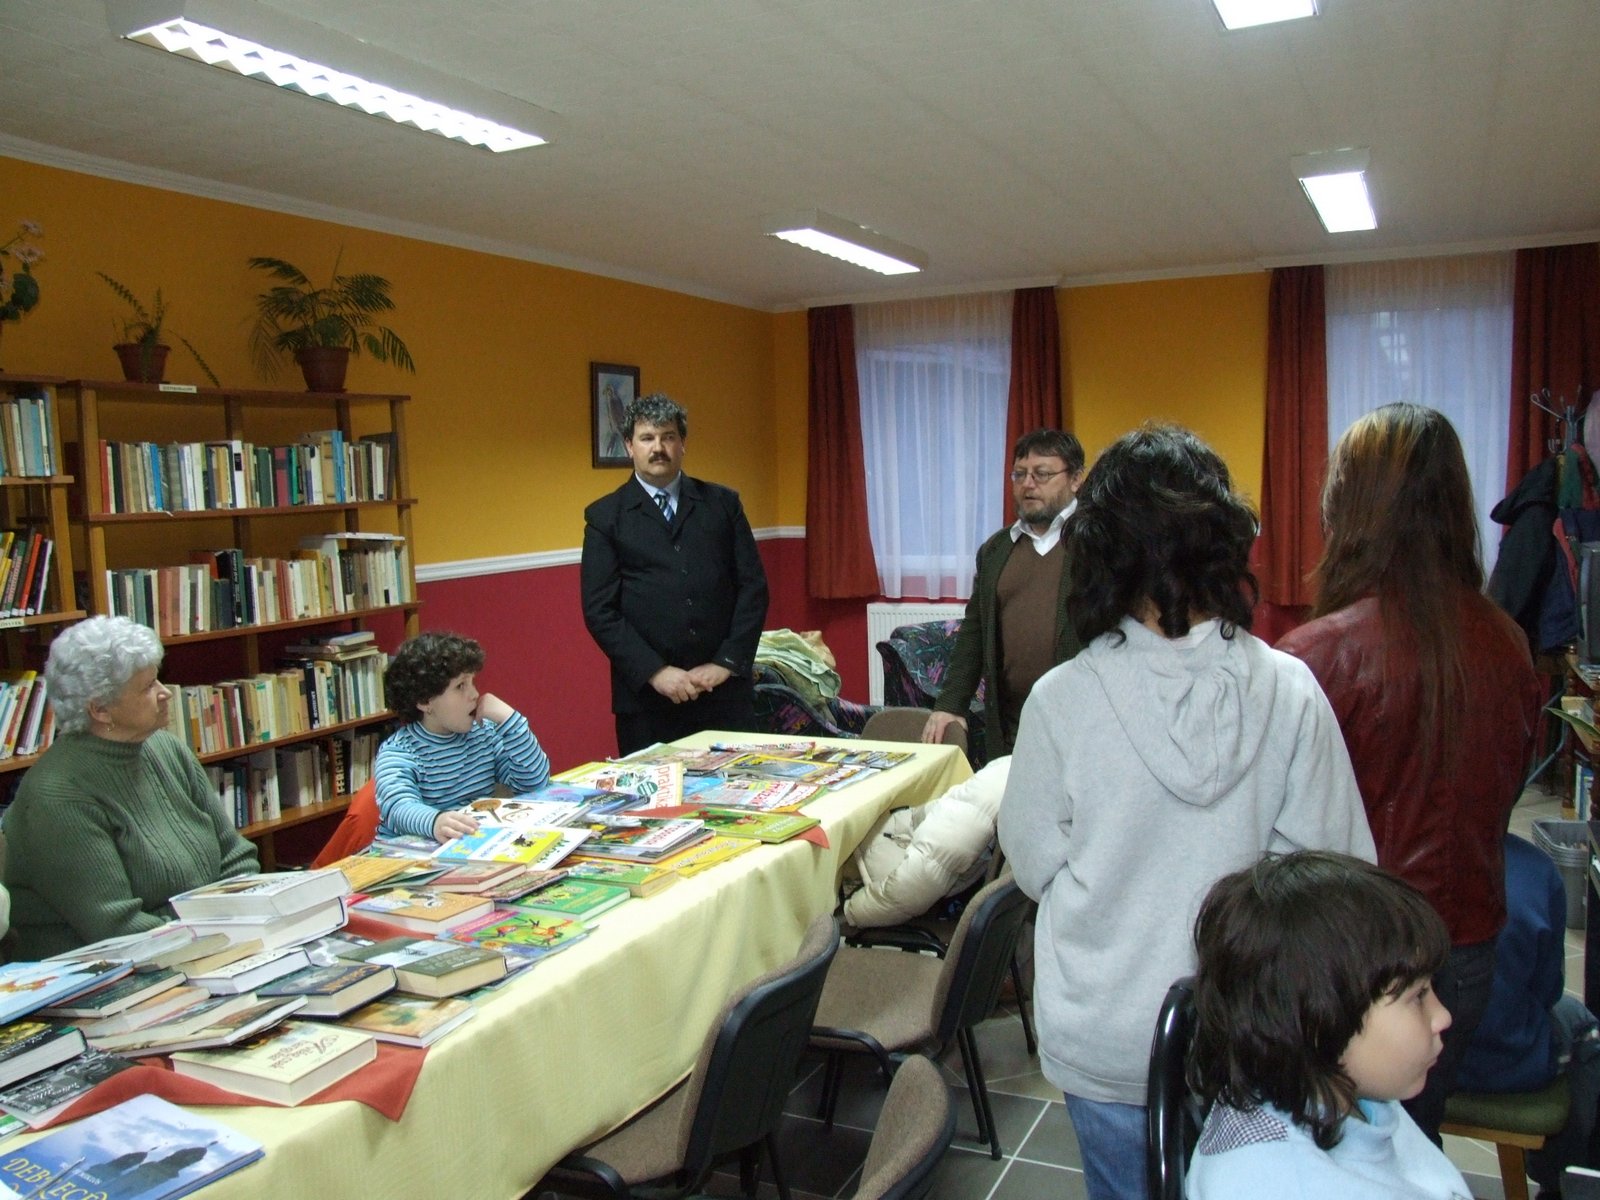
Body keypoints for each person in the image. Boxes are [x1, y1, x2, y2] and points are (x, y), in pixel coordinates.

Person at [997, 423, 1374, 1200]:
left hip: (1108, 1030)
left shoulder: (1062, 700)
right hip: (1253, 1034)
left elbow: (1033, 864)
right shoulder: (1290, 690)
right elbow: (1336, 871)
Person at [1278, 402, 1545, 1141]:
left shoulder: (1314, 657)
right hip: (1464, 953)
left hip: (1347, 963)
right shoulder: (1509, 643)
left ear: (1351, 507)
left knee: (1327, 1157)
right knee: (1408, 1148)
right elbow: (1504, 797)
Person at [1186, 851, 1470, 1200]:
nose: (1443, 1016)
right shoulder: (1279, 1185)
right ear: (1320, 1018)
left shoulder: (1346, 1092)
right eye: (1418, 996)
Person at [1, 615, 259, 959]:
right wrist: (217, 928)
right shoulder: (57, 795)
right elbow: (118, 927)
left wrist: (242, 916)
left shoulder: (165, 748)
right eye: (148, 686)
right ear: (100, 710)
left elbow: (236, 856)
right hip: (103, 967)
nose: (165, 693)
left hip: (201, 940)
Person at [581, 393, 770, 755]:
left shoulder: (722, 504)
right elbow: (600, 611)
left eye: (668, 437)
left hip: (723, 691)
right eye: (647, 438)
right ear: (629, 446)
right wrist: (655, 672)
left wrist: (726, 662)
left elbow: (753, 588)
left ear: (682, 443)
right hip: (648, 700)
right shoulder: (606, 517)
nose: (658, 448)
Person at [921, 429, 1085, 758]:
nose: (1028, 484)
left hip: (1083, 724)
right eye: (1019, 474)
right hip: (1012, 726)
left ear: (1076, 479)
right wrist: (950, 704)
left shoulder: (1099, 544)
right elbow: (975, 630)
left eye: (1042, 474)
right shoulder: (996, 549)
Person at [1455, 834, 1600, 1195]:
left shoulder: (1395, 852)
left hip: (1411, 1065)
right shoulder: (1534, 867)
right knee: (1583, 1026)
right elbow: (1547, 990)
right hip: (1507, 1063)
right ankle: (1561, 1181)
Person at [374, 631, 551, 841]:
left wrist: (511, 721)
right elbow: (398, 808)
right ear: (424, 701)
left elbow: (533, 783)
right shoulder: (399, 752)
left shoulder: (483, 734)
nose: (474, 694)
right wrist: (435, 822)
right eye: (460, 686)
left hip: (468, 843)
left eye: (472, 682)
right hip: (408, 852)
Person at [842, 755, 1010, 929]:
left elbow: (908, 891)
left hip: (897, 870)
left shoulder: (1002, 775)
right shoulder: (1009, 786)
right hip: (893, 842)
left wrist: (848, 915)